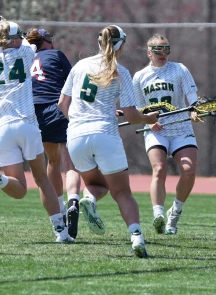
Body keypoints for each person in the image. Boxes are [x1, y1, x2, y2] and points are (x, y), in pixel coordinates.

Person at [58, 25, 160, 258]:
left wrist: (79, 121)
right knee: (122, 192)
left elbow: (63, 104)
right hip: (105, 135)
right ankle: (136, 237)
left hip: (76, 136)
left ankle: (88, 199)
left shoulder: (80, 66)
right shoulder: (121, 72)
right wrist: (148, 118)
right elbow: (133, 116)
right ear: (121, 45)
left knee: (98, 185)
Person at [0, 18, 74, 244]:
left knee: (19, 189)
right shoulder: (27, 53)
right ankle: (60, 232)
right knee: (42, 178)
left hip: (1, 128)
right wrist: (9, 28)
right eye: (18, 37)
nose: (23, 39)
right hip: (26, 124)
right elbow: (31, 43)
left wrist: (4, 30)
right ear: (13, 40)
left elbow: (0, 47)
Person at [132, 34, 200, 235]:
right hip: (156, 129)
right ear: (149, 53)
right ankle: (158, 215)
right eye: (158, 50)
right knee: (159, 168)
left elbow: (192, 97)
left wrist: (195, 110)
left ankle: (175, 212)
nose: (163, 54)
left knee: (188, 169)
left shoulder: (180, 70)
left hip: (180, 128)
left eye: (166, 49)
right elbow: (138, 107)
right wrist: (148, 120)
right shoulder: (140, 76)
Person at [26, 28, 83, 239]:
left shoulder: (24, 57)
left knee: (52, 162)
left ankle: (58, 211)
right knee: (70, 163)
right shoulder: (56, 54)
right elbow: (74, 85)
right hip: (56, 109)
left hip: (32, 113)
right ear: (47, 42)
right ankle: (73, 200)